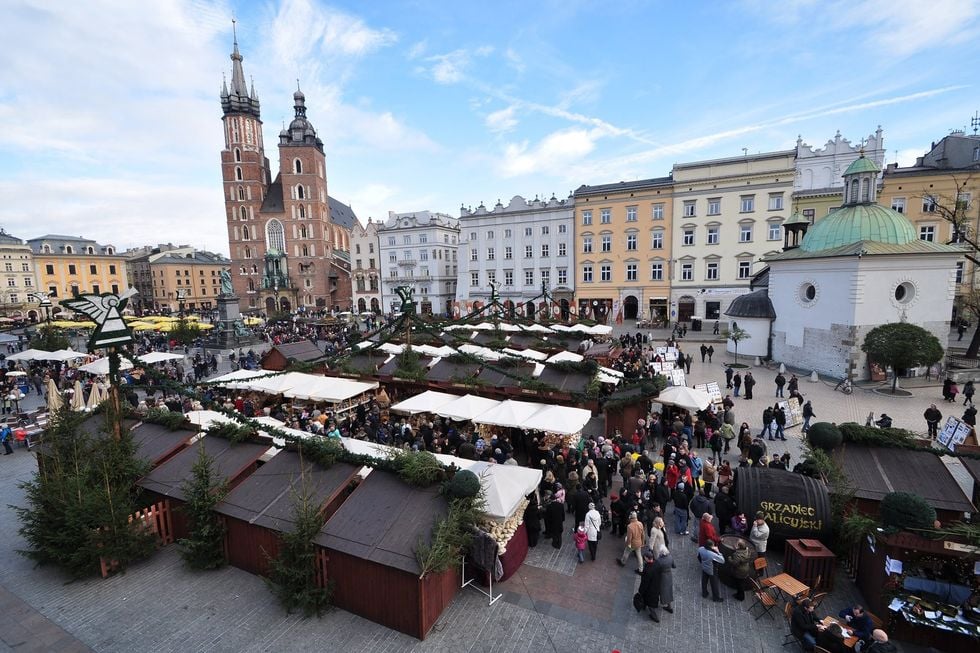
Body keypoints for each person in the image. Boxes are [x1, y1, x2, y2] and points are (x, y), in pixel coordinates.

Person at [637, 549, 663, 622]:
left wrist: (640, 591)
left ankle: (655, 617)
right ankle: (643, 606)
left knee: (651, 605)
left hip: (650, 590)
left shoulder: (648, 570)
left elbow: (644, 582)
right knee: (649, 600)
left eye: (645, 557)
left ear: (647, 558)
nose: (644, 558)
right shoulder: (657, 563)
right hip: (656, 586)